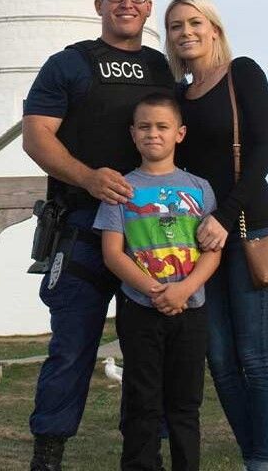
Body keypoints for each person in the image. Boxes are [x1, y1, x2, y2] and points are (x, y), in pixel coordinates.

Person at [22, 0, 175, 471]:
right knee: (72, 351)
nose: (126, 3)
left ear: (148, 7)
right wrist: (87, 177)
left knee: (152, 357)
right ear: (99, 5)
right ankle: (48, 456)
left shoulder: (163, 70)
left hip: (152, 235)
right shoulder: (68, 65)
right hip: (83, 232)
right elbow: (36, 136)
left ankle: (145, 457)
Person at [164, 0, 268, 471]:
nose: (186, 32)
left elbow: (265, 148)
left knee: (254, 356)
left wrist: (222, 214)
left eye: (195, 23)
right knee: (218, 358)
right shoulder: (176, 96)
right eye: (176, 26)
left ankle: (265, 463)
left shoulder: (243, 75)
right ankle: (253, 455)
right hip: (198, 240)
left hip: (246, 226)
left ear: (213, 28)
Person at [94, 93, 221, 471]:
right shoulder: (121, 189)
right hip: (140, 310)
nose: (153, 134)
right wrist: (155, 290)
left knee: (185, 405)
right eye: (145, 127)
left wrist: (183, 289)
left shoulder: (200, 188)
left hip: (191, 309)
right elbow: (113, 253)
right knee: (142, 401)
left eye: (162, 127)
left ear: (179, 134)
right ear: (133, 134)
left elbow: (213, 249)